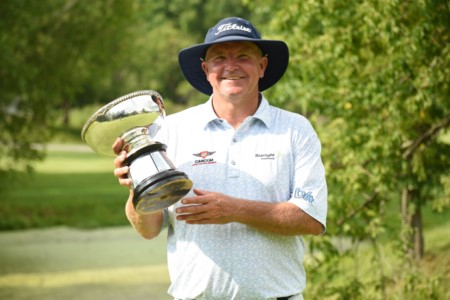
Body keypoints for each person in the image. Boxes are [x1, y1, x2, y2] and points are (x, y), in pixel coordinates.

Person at [113, 17, 327, 300]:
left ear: (262, 66)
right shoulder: (169, 130)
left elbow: (310, 218)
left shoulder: (295, 129)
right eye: (219, 58)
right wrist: (137, 187)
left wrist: (235, 210)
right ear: (206, 69)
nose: (231, 66)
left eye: (243, 56)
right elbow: (149, 229)